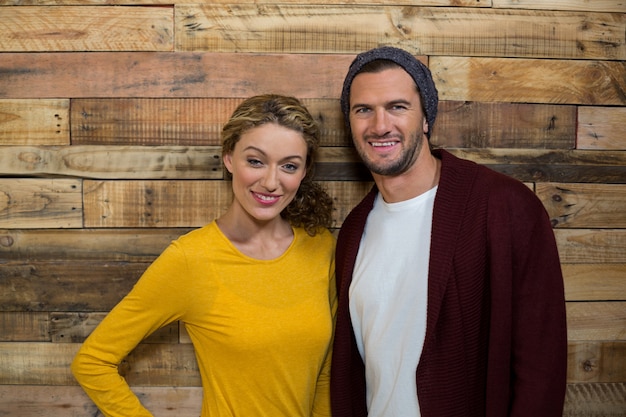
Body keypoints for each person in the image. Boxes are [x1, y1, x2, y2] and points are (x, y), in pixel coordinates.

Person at [330, 46, 567, 417]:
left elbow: (541, 365)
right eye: (364, 110)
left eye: (397, 106)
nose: (379, 125)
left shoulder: (504, 207)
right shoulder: (353, 233)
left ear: (426, 117)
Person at [72, 94, 337, 417]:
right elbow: (93, 362)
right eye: (255, 161)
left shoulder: (320, 248)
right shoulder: (191, 259)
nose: (270, 182)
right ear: (228, 158)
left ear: (304, 171)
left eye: (289, 166)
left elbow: (326, 371)